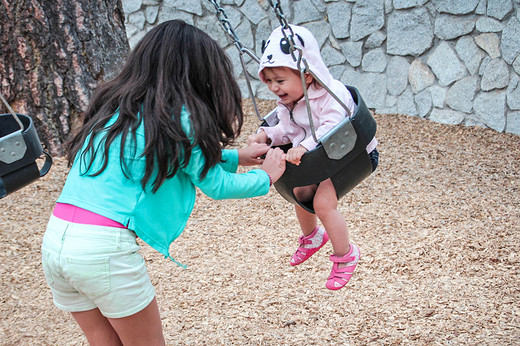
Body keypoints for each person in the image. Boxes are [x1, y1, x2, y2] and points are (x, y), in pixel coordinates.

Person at [41, 20, 286, 345]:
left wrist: (237, 156)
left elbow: (165, 154)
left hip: (56, 242)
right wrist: (265, 177)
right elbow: (217, 186)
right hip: (104, 251)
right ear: (200, 74)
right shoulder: (179, 114)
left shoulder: (116, 106)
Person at [248, 24, 378, 291]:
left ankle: (346, 255)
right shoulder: (288, 103)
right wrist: (266, 135)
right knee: (299, 189)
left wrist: (305, 146)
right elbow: (286, 130)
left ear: (307, 75)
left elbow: (333, 125)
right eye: (269, 81)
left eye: (280, 81)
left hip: (353, 152)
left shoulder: (331, 94)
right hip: (324, 157)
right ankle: (312, 236)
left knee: (322, 203)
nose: (273, 88)